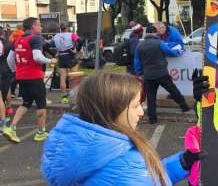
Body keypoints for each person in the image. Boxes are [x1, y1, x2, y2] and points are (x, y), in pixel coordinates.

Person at [41, 73, 200, 185]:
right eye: (136, 105)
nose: (141, 112)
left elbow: (146, 178)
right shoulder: (127, 166)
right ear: (113, 110)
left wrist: (181, 163)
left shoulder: (86, 150)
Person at [4, 17, 57, 143]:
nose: (41, 28)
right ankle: (40, 132)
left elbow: (9, 60)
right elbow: (37, 57)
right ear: (33, 26)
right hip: (34, 77)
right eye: (39, 25)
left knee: (26, 103)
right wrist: (51, 60)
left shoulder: (17, 40)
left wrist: (15, 71)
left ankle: (11, 128)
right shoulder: (36, 38)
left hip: (21, 77)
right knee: (41, 104)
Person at [135, 25, 190, 123]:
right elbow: (170, 52)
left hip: (148, 75)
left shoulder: (139, 45)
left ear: (146, 33)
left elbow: (137, 61)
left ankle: (152, 119)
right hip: (161, 73)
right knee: (173, 90)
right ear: (155, 33)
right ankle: (184, 106)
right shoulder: (159, 43)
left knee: (151, 97)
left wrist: (139, 72)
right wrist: (178, 51)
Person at [51, 22, 81, 104]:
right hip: (70, 55)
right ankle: (75, 98)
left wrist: (54, 54)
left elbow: (49, 45)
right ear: (67, 28)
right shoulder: (71, 34)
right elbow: (80, 40)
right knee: (75, 76)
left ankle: (64, 98)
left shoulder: (55, 36)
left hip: (61, 57)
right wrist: (77, 50)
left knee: (62, 77)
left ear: (60, 28)